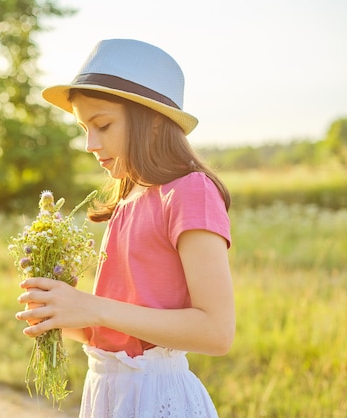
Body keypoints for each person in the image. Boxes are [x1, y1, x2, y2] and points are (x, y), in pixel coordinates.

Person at [15, 39, 235, 417]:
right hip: (106, 391)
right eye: (85, 128)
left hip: (155, 397)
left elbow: (216, 331)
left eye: (102, 125)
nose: (89, 143)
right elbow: (121, 330)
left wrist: (93, 308)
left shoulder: (189, 191)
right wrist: (64, 314)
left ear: (152, 121)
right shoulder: (128, 198)